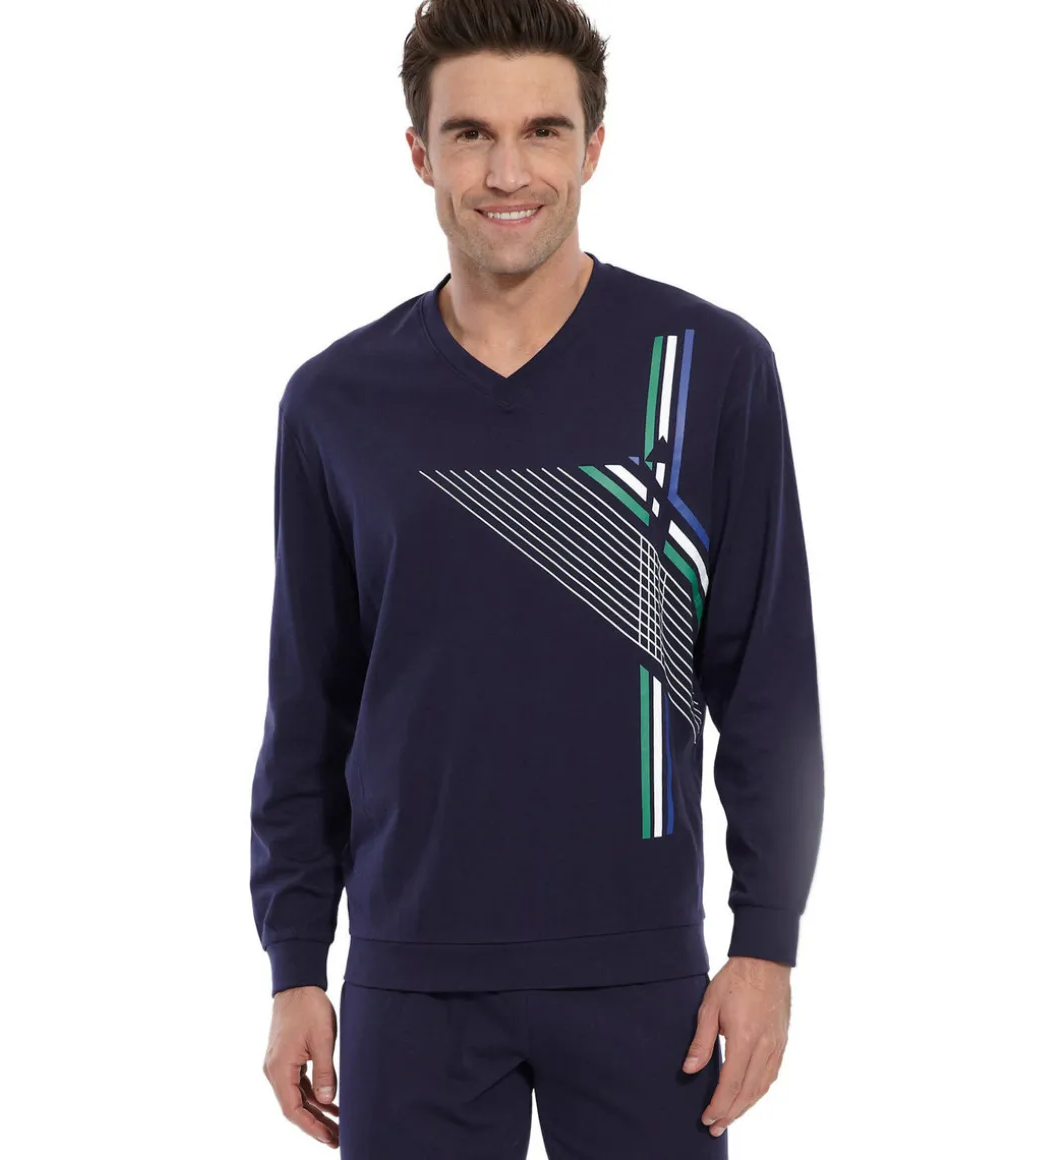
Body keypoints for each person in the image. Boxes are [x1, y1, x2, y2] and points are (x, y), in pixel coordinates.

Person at [250, 0, 824, 1154]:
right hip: (410, 977)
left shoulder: (706, 368)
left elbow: (766, 686)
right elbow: (308, 707)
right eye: (469, 134)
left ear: (592, 146)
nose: (507, 173)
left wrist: (765, 941)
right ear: (419, 153)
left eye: (542, 132)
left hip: (644, 978)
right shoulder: (335, 401)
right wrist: (295, 961)